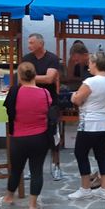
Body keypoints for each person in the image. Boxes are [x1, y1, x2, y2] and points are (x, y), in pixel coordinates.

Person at [1, 62, 54, 209]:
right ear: (34, 74)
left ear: (19, 75)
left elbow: (8, 110)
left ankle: (9, 196)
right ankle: (32, 204)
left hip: (19, 136)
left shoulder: (15, 92)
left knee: (16, 169)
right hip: (40, 136)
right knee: (37, 170)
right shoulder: (45, 93)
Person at [69, 51, 105, 200]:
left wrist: (73, 96)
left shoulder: (90, 82)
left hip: (90, 123)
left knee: (81, 153)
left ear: (95, 63)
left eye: (90, 62)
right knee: (101, 154)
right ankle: (104, 188)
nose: (88, 65)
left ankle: (85, 188)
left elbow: (77, 100)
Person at [22, 33, 64, 181]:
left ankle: (56, 165)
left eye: (32, 43)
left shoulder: (52, 58)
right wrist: (37, 78)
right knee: (30, 136)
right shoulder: (26, 59)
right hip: (30, 102)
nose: (29, 46)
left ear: (41, 43)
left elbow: (49, 79)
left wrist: (30, 78)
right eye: (29, 43)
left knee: (53, 135)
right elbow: (22, 79)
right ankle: (31, 168)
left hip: (50, 102)